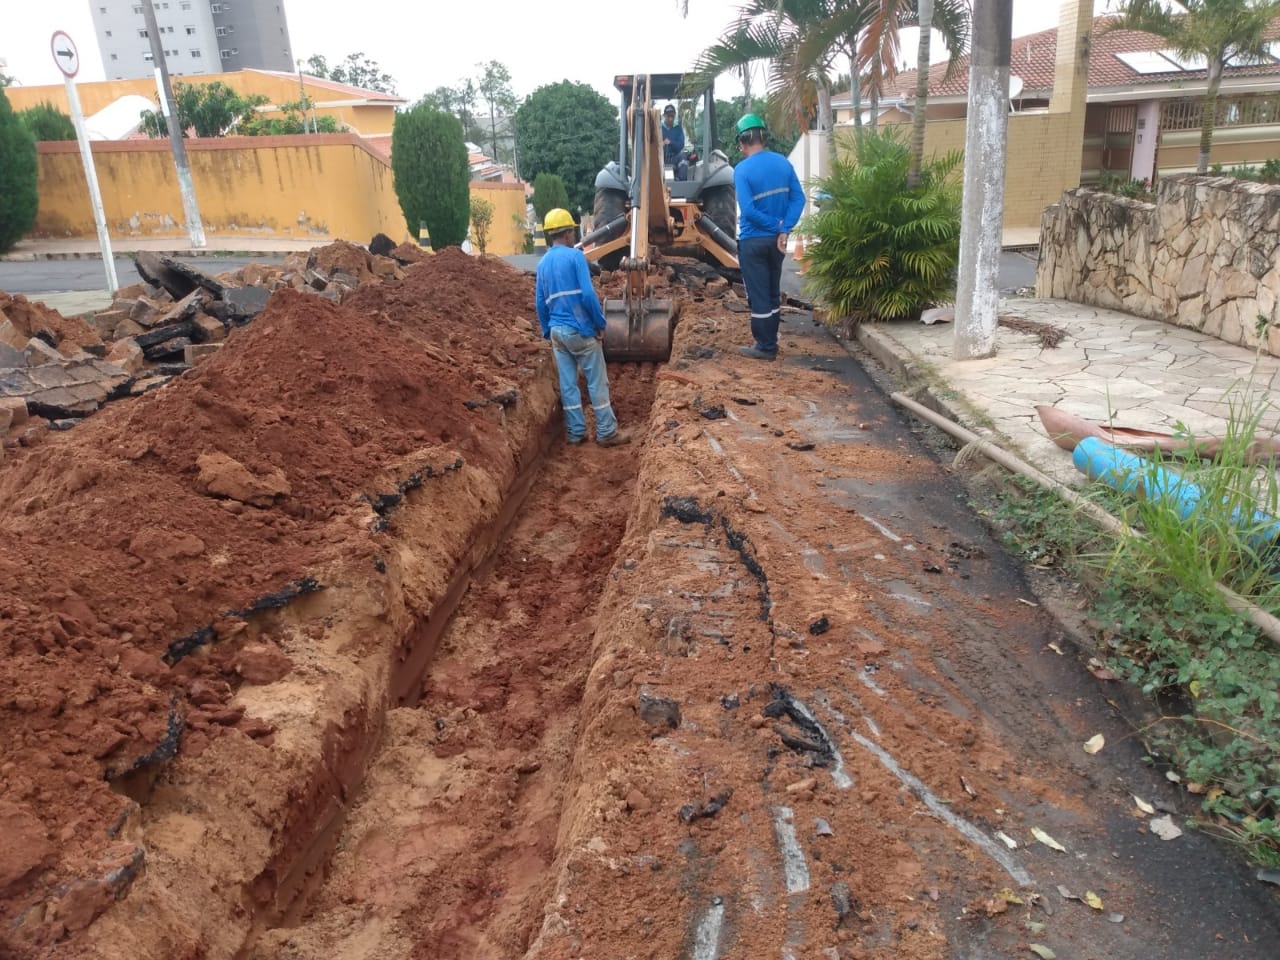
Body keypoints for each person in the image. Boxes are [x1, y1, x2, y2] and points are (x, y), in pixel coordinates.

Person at [534, 208, 631, 447]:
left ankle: (576, 432)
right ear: (569, 232)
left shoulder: (543, 263)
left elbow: (540, 302)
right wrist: (600, 323)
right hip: (580, 329)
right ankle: (606, 431)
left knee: (568, 384)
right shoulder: (575, 257)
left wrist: (547, 330)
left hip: (557, 332)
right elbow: (587, 295)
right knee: (596, 381)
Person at [732, 113, 805, 362]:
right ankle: (772, 339)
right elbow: (798, 199)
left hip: (754, 241)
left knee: (759, 295)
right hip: (777, 243)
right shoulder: (783, 163)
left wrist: (775, 225)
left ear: (742, 141)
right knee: (773, 291)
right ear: (763, 137)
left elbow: (748, 211)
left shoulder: (742, 170)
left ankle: (765, 347)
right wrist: (784, 229)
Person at [661, 104, 688, 181]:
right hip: (660, 158)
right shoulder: (658, 128)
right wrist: (660, 144)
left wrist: (670, 142)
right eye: (668, 116)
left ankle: (681, 180)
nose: (670, 119)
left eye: (672, 116)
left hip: (674, 158)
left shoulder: (678, 129)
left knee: (683, 156)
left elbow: (680, 145)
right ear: (664, 116)